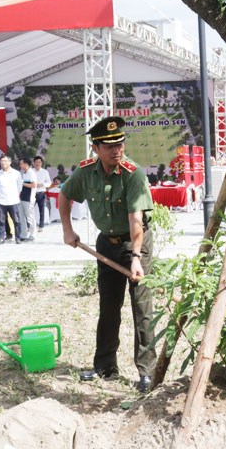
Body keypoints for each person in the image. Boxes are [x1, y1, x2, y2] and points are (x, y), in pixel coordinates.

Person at [59, 116, 156, 392]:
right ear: (95, 148)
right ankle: (105, 366)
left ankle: (147, 372)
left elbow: (136, 220)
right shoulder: (86, 172)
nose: (117, 150)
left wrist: (136, 258)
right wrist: (68, 230)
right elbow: (64, 196)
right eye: (110, 145)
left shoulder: (132, 173)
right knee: (109, 306)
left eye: (120, 143)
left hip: (135, 244)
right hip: (107, 244)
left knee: (142, 308)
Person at [0, 156, 27, 245]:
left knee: (16, 220)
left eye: (4, 161)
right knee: (1, 221)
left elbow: (19, 186)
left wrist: (15, 194)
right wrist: (0, 194)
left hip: (13, 200)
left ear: (9, 162)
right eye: (1, 161)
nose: (2, 163)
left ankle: (18, 238)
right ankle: (1, 238)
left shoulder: (16, 173)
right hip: (1, 200)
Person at [19, 158, 37, 241]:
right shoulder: (24, 173)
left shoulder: (31, 173)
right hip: (22, 198)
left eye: (21, 163)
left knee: (30, 217)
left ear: (26, 164)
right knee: (21, 217)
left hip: (29, 198)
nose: (20, 165)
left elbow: (33, 185)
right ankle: (23, 234)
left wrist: (22, 183)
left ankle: (32, 234)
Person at [32, 156, 52, 232]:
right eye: (36, 162)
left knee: (41, 210)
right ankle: (29, 226)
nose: (37, 164)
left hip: (41, 193)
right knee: (30, 210)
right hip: (32, 193)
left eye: (39, 162)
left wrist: (42, 184)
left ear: (41, 163)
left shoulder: (45, 172)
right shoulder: (31, 171)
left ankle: (41, 226)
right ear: (33, 163)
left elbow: (49, 182)